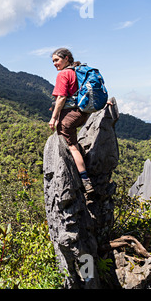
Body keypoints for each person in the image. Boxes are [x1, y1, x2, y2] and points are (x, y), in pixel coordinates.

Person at [49, 48, 94, 194]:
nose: (55, 63)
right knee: (74, 143)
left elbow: (61, 98)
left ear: (66, 58)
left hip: (69, 116)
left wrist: (54, 118)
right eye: (53, 61)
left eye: (57, 60)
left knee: (72, 146)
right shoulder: (77, 71)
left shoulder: (63, 74)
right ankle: (83, 165)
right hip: (82, 113)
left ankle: (85, 181)